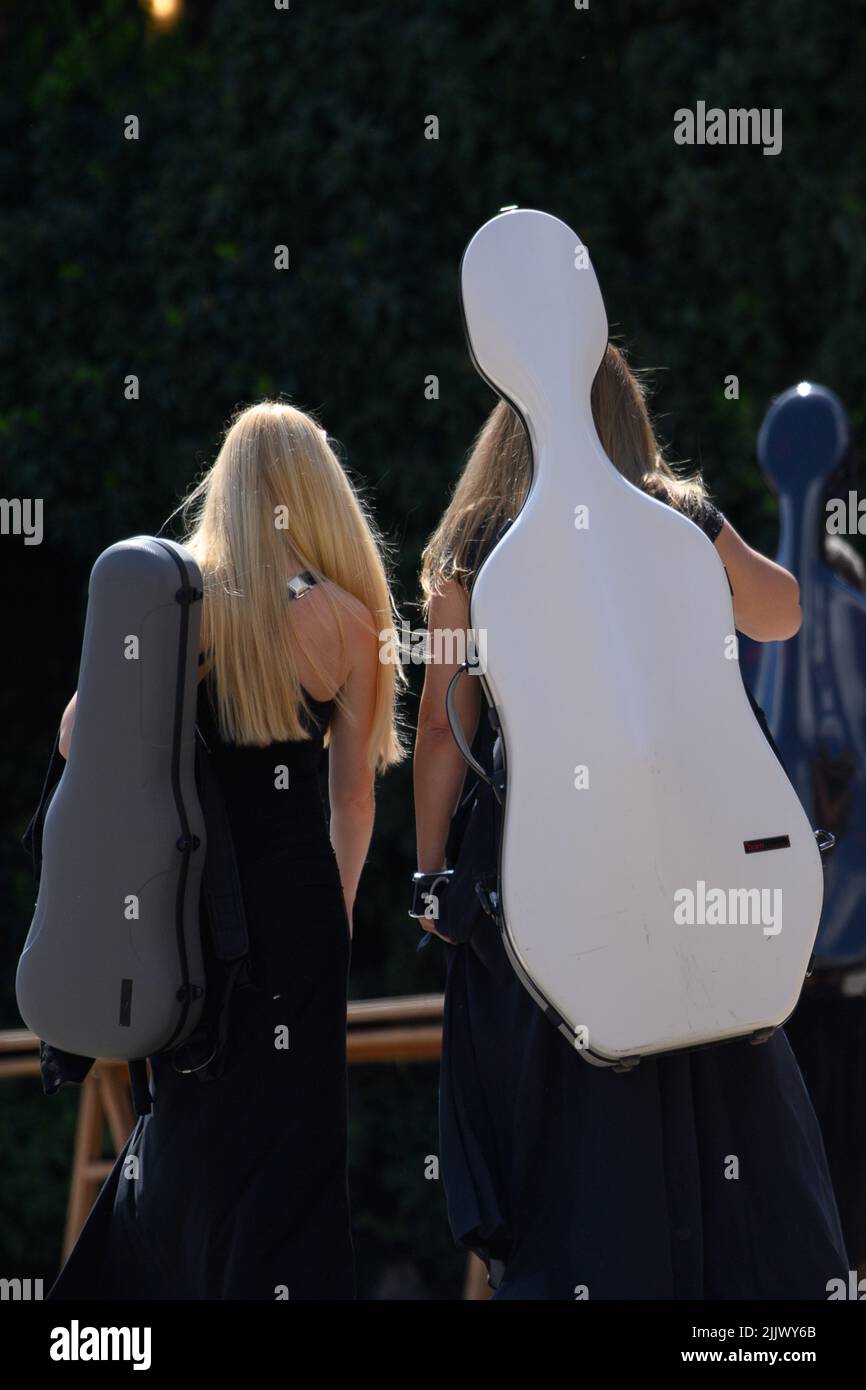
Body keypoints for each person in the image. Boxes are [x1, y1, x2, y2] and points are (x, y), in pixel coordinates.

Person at [413, 344, 849, 1300]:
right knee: (723, 1049)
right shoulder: (675, 519)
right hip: (693, 836)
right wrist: (695, 535)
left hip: (545, 864)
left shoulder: (476, 547)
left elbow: (446, 724)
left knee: (579, 1106)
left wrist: (432, 871)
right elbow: (781, 613)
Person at [47, 402, 405, 1300]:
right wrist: (336, 910)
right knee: (294, 1160)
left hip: (192, 914)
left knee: (187, 1134)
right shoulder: (348, 619)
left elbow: (72, 740)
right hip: (297, 913)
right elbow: (354, 795)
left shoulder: (179, 610)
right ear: (313, 494)